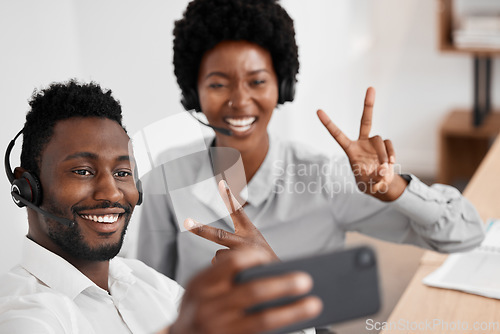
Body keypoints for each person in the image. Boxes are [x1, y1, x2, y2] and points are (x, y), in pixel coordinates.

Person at [137, 0, 486, 288]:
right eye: (218, 84)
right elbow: (149, 289)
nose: (240, 101)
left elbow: (466, 234)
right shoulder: (168, 176)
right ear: (192, 93)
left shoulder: (325, 179)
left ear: (283, 87)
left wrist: (394, 188)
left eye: (257, 81)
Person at [0, 80, 322, 334]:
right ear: (27, 186)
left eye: (123, 173)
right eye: (83, 171)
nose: (112, 191)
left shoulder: (149, 284)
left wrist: (276, 286)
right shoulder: (24, 312)